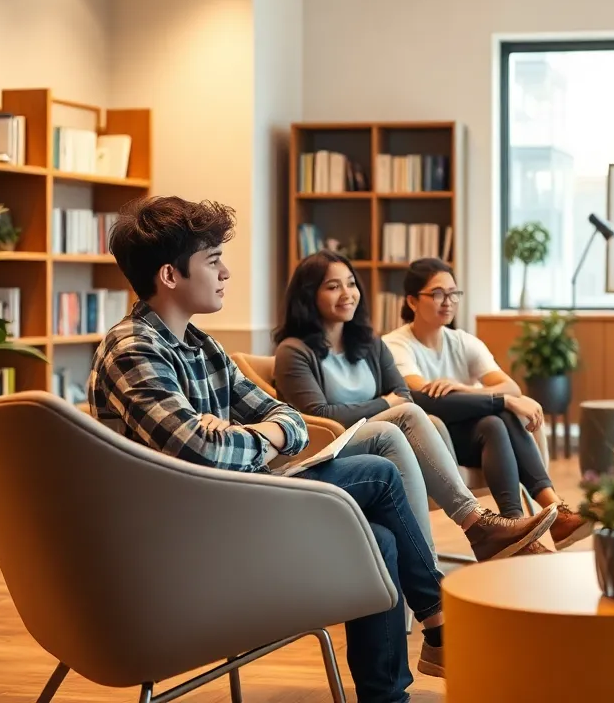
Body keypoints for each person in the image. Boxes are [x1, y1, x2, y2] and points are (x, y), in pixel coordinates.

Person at [88, 197, 443, 703]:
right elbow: (199, 453)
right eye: (212, 261)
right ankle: (438, 621)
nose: (225, 272)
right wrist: (250, 439)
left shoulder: (201, 347)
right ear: (170, 274)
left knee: (382, 538)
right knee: (378, 473)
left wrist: (243, 436)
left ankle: (390, 693)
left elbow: (292, 421)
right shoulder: (133, 350)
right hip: (186, 539)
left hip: (229, 507)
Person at [272, 251, 558, 560]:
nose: (347, 294)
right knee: (408, 415)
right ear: (308, 294)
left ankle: (466, 542)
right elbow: (320, 415)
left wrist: (388, 404)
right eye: (332, 286)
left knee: (434, 420)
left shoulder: (369, 343)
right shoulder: (293, 351)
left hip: (378, 436)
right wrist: (384, 403)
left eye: (351, 284)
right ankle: (476, 525)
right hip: (329, 445)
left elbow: (404, 396)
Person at [382, 258, 591, 551]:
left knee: (495, 421)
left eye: (454, 293)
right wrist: (501, 399)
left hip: (477, 436)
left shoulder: (463, 341)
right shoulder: (395, 345)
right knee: (501, 410)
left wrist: (465, 388)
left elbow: (511, 385)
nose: (448, 302)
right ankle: (535, 524)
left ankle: (521, 527)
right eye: (437, 294)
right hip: (433, 440)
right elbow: (423, 398)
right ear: (413, 301)